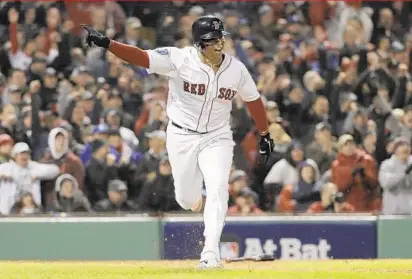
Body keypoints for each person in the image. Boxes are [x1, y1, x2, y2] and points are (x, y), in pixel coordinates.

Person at [82, 15, 274, 269]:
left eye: (221, 38)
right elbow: (141, 57)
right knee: (186, 199)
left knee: (218, 186)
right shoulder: (179, 59)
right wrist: (109, 44)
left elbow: (253, 100)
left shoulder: (236, 69)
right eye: (212, 40)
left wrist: (264, 133)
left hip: (217, 136)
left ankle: (210, 252)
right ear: (199, 43)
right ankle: (200, 204)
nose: (219, 44)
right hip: (181, 135)